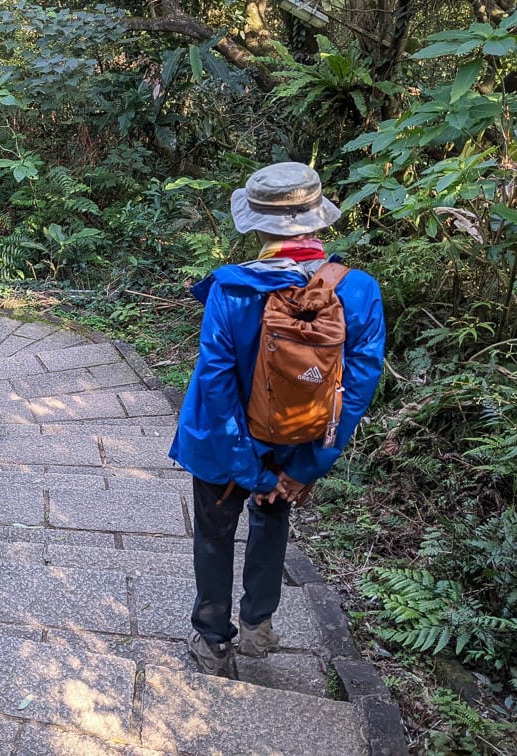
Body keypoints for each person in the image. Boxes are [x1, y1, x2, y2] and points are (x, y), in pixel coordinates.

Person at [169, 161, 386, 676]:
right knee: (272, 519)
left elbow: (217, 383)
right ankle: (258, 627)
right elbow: (354, 392)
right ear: (316, 219)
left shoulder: (232, 288)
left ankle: (212, 641)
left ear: (258, 224)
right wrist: (300, 469)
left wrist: (248, 470)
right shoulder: (356, 291)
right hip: (297, 442)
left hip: (221, 448)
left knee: (214, 534)